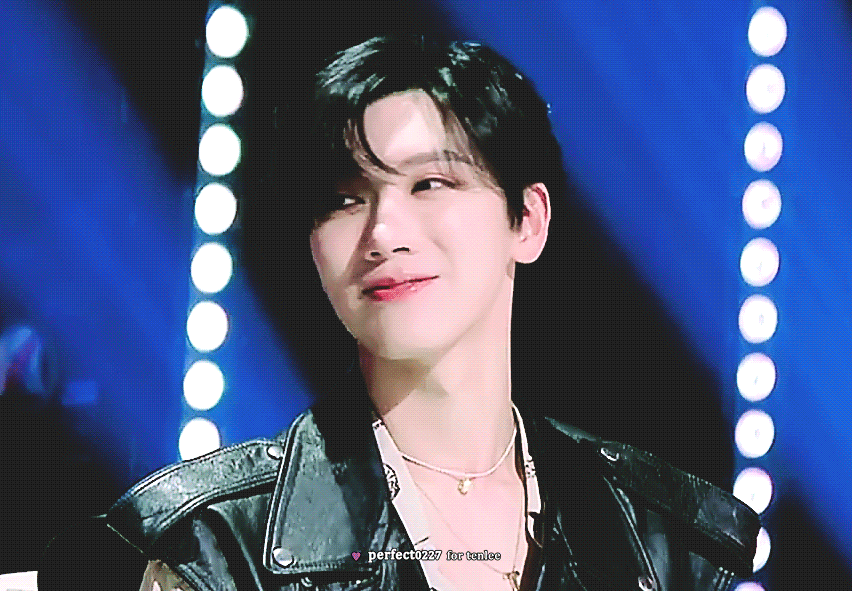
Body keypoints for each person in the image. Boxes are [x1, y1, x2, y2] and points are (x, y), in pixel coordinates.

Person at [38, 36, 759, 591]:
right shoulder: (220, 545)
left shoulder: (659, 537)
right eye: (345, 198)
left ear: (527, 221)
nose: (383, 232)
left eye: (430, 184)